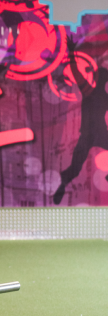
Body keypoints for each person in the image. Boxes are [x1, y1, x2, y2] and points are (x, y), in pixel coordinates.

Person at [53, 36, 108, 205]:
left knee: (76, 167)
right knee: (76, 166)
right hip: (96, 133)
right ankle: (63, 182)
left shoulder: (90, 91)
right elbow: (76, 73)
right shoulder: (100, 95)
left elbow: (76, 72)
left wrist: (71, 53)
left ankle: (64, 181)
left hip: (90, 134)